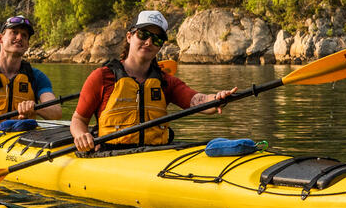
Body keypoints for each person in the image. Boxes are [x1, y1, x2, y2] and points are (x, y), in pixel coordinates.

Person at [70, 10, 229, 153]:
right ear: (129, 36)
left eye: (157, 39)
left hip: (155, 154)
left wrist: (215, 100)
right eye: (143, 34)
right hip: (112, 155)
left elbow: (196, 100)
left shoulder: (165, 81)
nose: (149, 42)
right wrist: (81, 136)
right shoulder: (102, 77)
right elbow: (78, 120)